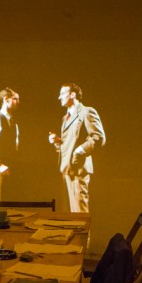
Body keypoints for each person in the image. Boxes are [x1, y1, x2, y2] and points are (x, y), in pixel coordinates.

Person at [48, 83, 105, 213]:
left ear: (72, 94)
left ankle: (85, 235)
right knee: (69, 215)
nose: (59, 97)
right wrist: (57, 142)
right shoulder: (65, 117)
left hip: (78, 170)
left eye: (62, 93)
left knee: (80, 214)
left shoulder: (87, 111)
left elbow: (99, 137)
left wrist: (80, 150)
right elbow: (69, 142)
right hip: (66, 170)